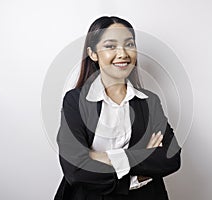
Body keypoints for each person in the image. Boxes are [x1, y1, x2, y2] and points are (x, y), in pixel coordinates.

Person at [54, 16, 181, 200]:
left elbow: (171, 159)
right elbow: (75, 170)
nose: (122, 54)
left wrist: (105, 157)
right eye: (110, 46)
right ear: (93, 53)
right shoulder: (75, 101)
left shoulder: (149, 101)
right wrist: (139, 166)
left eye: (129, 44)